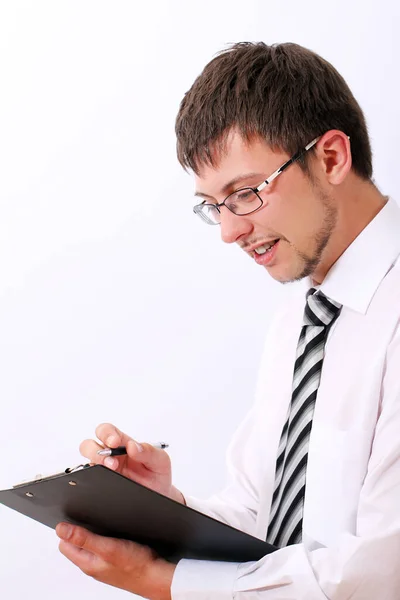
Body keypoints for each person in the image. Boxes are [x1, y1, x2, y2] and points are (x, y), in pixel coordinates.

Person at [55, 42, 400, 599]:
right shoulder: (301, 320)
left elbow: (381, 571)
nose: (229, 232)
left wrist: (163, 582)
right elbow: (266, 522)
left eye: (245, 193)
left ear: (332, 158)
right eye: (213, 205)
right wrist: (167, 513)